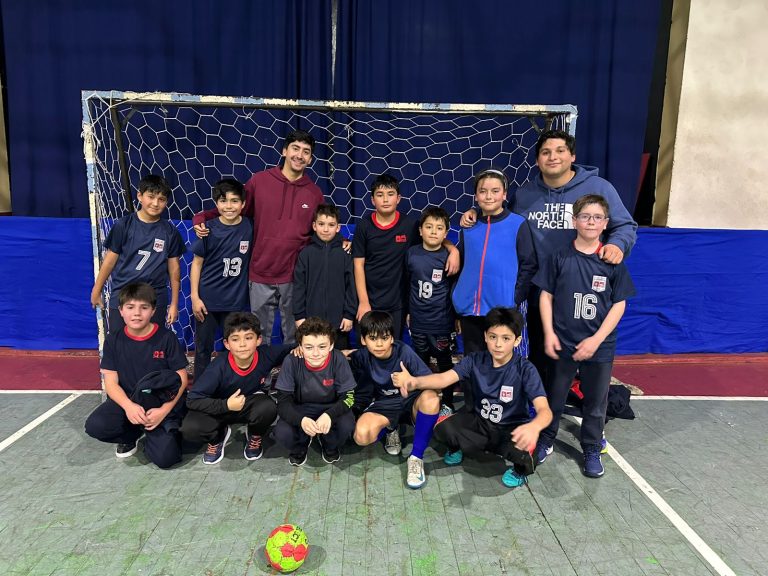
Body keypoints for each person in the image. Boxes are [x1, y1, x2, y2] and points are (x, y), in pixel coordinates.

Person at [460, 131, 637, 385]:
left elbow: (625, 226)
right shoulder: (525, 194)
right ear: (537, 160)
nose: (553, 157)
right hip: (539, 290)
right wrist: (475, 213)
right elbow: (500, 220)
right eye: (545, 152)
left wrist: (617, 245)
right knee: (542, 354)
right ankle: (542, 410)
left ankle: (586, 409)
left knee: (585, 359)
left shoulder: (598, 188)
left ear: (572, 156)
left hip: (582, 290)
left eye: (560, 151)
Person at [392, 307, 552, 488]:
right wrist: (413, 382)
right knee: (441, 427)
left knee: (530, 451)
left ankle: (519, 471)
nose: (498, 344)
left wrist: (534, 427)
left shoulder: (525, 369)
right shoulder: (474, 360)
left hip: (511, 430)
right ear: (485, 336)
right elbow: (443, 378)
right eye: (493, 337)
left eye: (505, 338)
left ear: (517, 341)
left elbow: (545, 410)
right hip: (480, 424)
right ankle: (457, 448)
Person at [534, 195, 636, 478]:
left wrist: (596, 339)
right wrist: (549, 332)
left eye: (597, 217)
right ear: (574, 220)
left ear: (605, 224)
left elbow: (619, 304)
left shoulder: (612, 260)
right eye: (585, 216)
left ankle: (591, 446)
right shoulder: (559, 257)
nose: (591, 221)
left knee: (595, 401)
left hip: (599, 346)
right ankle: (547, 438)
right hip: (563, 342)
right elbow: (546, 295)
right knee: (554, 396)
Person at [192, 130, 324, 345]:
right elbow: (234, 208)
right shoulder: (259, 182)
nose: (300, 155)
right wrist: (202, 217)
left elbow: (322, 228)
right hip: (260, 273)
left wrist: (342, 241)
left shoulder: (314, 193)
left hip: (294, 276)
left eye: (306, 152)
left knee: (295, 333)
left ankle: (292, 376)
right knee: (259, 334)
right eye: (295, 148)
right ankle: (260, 377)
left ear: (311, 158)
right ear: (284, 150)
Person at [84, 282, 189, 468]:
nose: (137, 313)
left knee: (166, 459)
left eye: (144, 307)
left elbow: (181, 379)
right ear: (121, 311)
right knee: (96, 425)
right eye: (130, 307)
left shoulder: (167, 338)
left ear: (153, 310)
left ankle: (157, 435)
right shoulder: (113, 341)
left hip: (160, 405)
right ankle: (131, 435)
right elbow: (111, 383)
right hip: (130, 401)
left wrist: (163, 410)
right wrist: (129, 407)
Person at [353, 174, 459, 340]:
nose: (386, 199)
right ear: (373, 200)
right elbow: (358, 265)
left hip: (398, 303)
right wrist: (363, 302)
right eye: (380, 195)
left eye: (390, 194)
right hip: (370, 300)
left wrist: (453, 250)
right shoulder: (364, 226)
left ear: (399, 198)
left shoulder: (409, 225)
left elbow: (432, 237)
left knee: (392, 348)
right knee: (368, 348)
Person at [181, 312, 293, 465]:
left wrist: (300, 349)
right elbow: (192, 400)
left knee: (268, 407)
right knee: (190, 428)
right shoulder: (218, 368)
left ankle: (254, 434)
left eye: (248, 338)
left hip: (247, 404)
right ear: (226, 344)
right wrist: (225, 405)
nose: (242, 344)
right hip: (219, 407)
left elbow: (294, 347)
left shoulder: (267, 355)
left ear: (258, 340)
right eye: (235, 339)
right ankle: (218, 437)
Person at [350, 311, 440, 489]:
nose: (379, 343)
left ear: (392, 338)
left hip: (411, 402)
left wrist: (412, 382)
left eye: (385, 337)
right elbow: (339, 356)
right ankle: (391, 428)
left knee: (431, 399)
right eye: (373, 338)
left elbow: (435, 384)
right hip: (385, 406)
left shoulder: (404, 352)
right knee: (361, 436)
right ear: (363, 340)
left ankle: (416, 458)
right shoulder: (362, 356)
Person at [452, 168, 536, 354]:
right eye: (483, 191)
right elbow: (464, 261)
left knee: (499, 363)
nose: (489, 196)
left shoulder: (517, 224)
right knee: (472, 362)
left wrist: (514, 298)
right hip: (470, 310)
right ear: (475, 196)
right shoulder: (469, 225)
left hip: (502, 310)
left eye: (495, 191)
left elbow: (528, 264)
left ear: (504, 194)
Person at [90, 175, 185, 332]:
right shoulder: (123, 225)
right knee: (120, 346)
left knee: (152, 348)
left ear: (167, 202)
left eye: (161, 199)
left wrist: (174, 304)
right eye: (151, 197)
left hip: (155, 298)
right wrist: (96, 289)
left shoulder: (170, 232)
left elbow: (175, 271)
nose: (155, 203)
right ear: (140, 196)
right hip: (123, 294)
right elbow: (109, 261)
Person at [189, 178, 253, 381]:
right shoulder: (208, 229)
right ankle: (199, 390)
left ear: (243, 204)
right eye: (224, 201)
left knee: (234, 347)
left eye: (235, 201)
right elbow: (196, 264)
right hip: (207, 301)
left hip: (234, 302)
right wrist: (194, 297)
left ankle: (228, 386)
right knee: (203, 349)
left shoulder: (250, 227)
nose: (229, 206)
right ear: (216, 204)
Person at [273, 317, 356, 465]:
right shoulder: (291, 361)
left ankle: (329, 444)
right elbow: (283, 402)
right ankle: (300, 447)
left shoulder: (338, 359)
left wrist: (330, 415)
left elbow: (349, 397)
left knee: (347, 425)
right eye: (309, 347)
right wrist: (301, 420)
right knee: (282, 432)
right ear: (300, 346)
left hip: (330, 407)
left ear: (331, 346)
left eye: (322, 346)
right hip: (301, 408)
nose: (316, 353)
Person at [404, 206, 458, 412]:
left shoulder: (449, 256)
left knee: (444, 361)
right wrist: (409, 311)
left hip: (441, 321)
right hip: (418, 320)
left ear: (446, 233)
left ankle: (448, 402)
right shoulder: (411, 254)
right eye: (429, 227)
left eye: (439, 228)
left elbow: (454, 288)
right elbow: (407, 284)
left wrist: (456, 318)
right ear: (420, 230)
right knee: (421, 362)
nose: (433, 232)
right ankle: (422, 401)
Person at [293, 204, 357, 350]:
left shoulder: (345, 254)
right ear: (314, 226)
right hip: (310, 323)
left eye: (331, 225)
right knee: (312, 361)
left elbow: (351, 286)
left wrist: (349, 314)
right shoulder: (306, 254)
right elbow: (299, 287)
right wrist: (299, 316)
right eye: (321, 224)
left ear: (338, 227)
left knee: (339, 360)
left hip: (339, 324)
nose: (326, 229)